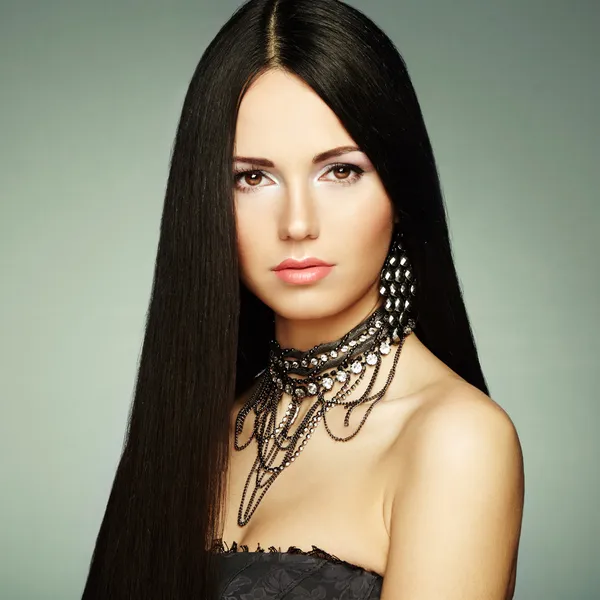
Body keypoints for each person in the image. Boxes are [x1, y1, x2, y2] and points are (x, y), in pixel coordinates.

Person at [81, 0, 525, 598]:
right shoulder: (196, 425)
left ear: (399, 187)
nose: (296, 223)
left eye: (340, 171)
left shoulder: (456, 441)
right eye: (252, 177)